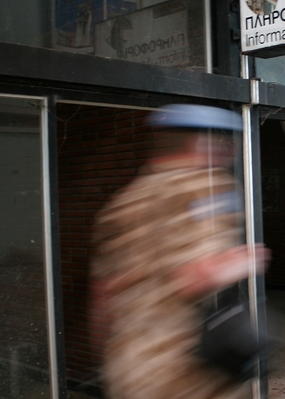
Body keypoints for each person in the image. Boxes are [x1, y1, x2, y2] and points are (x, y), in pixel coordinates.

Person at [90, 104, 269, 399]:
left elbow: (102, 298)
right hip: (186, 370)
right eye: (225, 142)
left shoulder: (123, 202)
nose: (230, 151)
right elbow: (193, 278)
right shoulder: (199, 188)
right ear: (202, 143)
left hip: (131, 367)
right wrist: (246, 260)